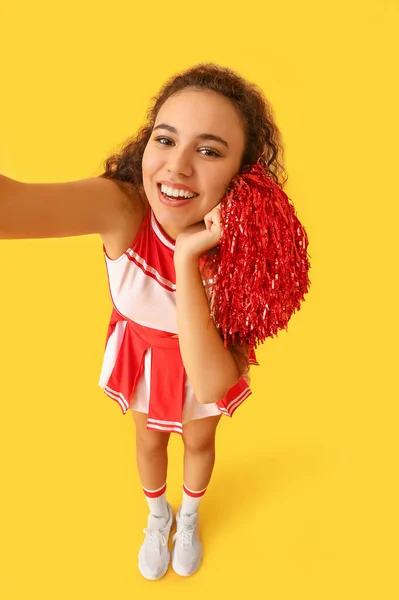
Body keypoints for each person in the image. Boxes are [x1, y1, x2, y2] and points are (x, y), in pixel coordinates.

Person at [0, 63, 288, 580]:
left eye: (208, 150)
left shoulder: (247, 253)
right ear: (145, 146)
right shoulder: (122, 207)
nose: (176, 167)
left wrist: (185, 260)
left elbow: (212, 382)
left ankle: (190, 516)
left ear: (243, 177)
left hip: (204, 360)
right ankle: (159, 518)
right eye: (165, 139)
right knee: (149, 440)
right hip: (142, 353)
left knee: (200, 441)